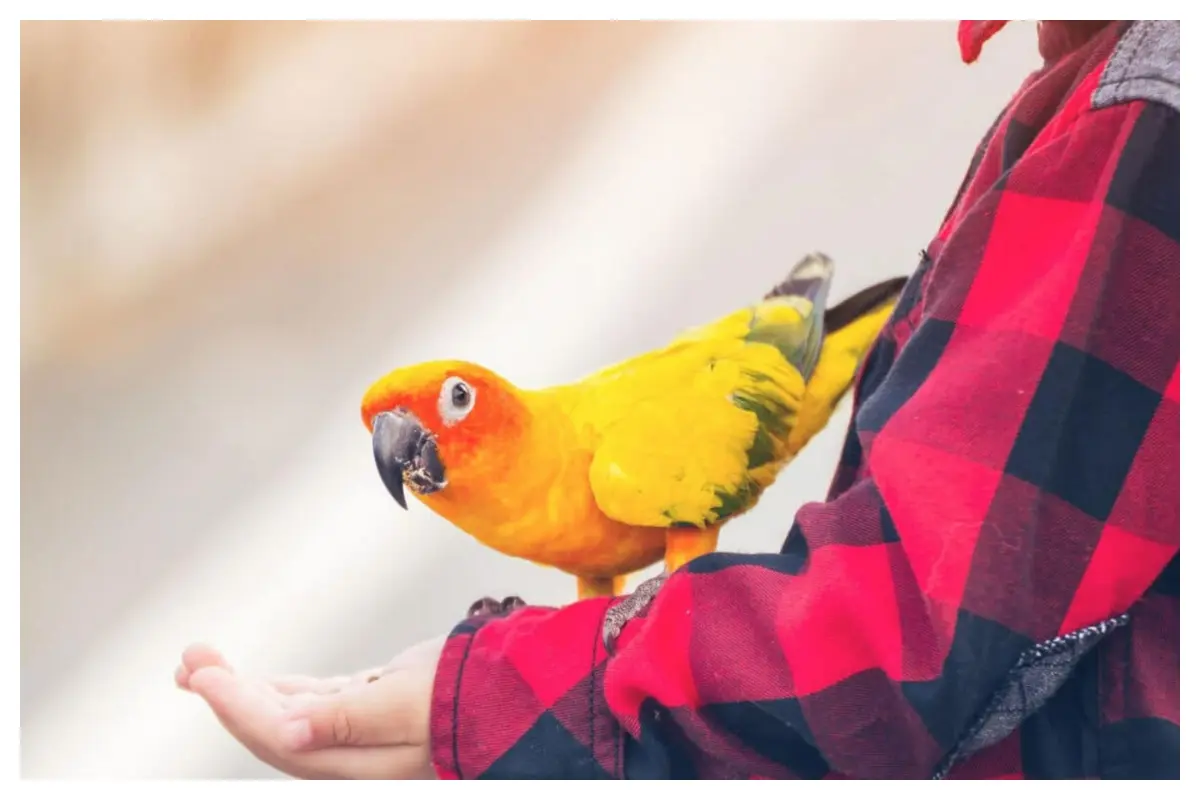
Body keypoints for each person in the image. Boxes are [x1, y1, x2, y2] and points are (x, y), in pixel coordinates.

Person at [175, 20, 1180, 780]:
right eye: (398, 430)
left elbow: (910, 636)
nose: (415, 436)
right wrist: (531, 669)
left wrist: (494, 696)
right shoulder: (1101, 83)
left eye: (455, 401)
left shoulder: (1143, 116)